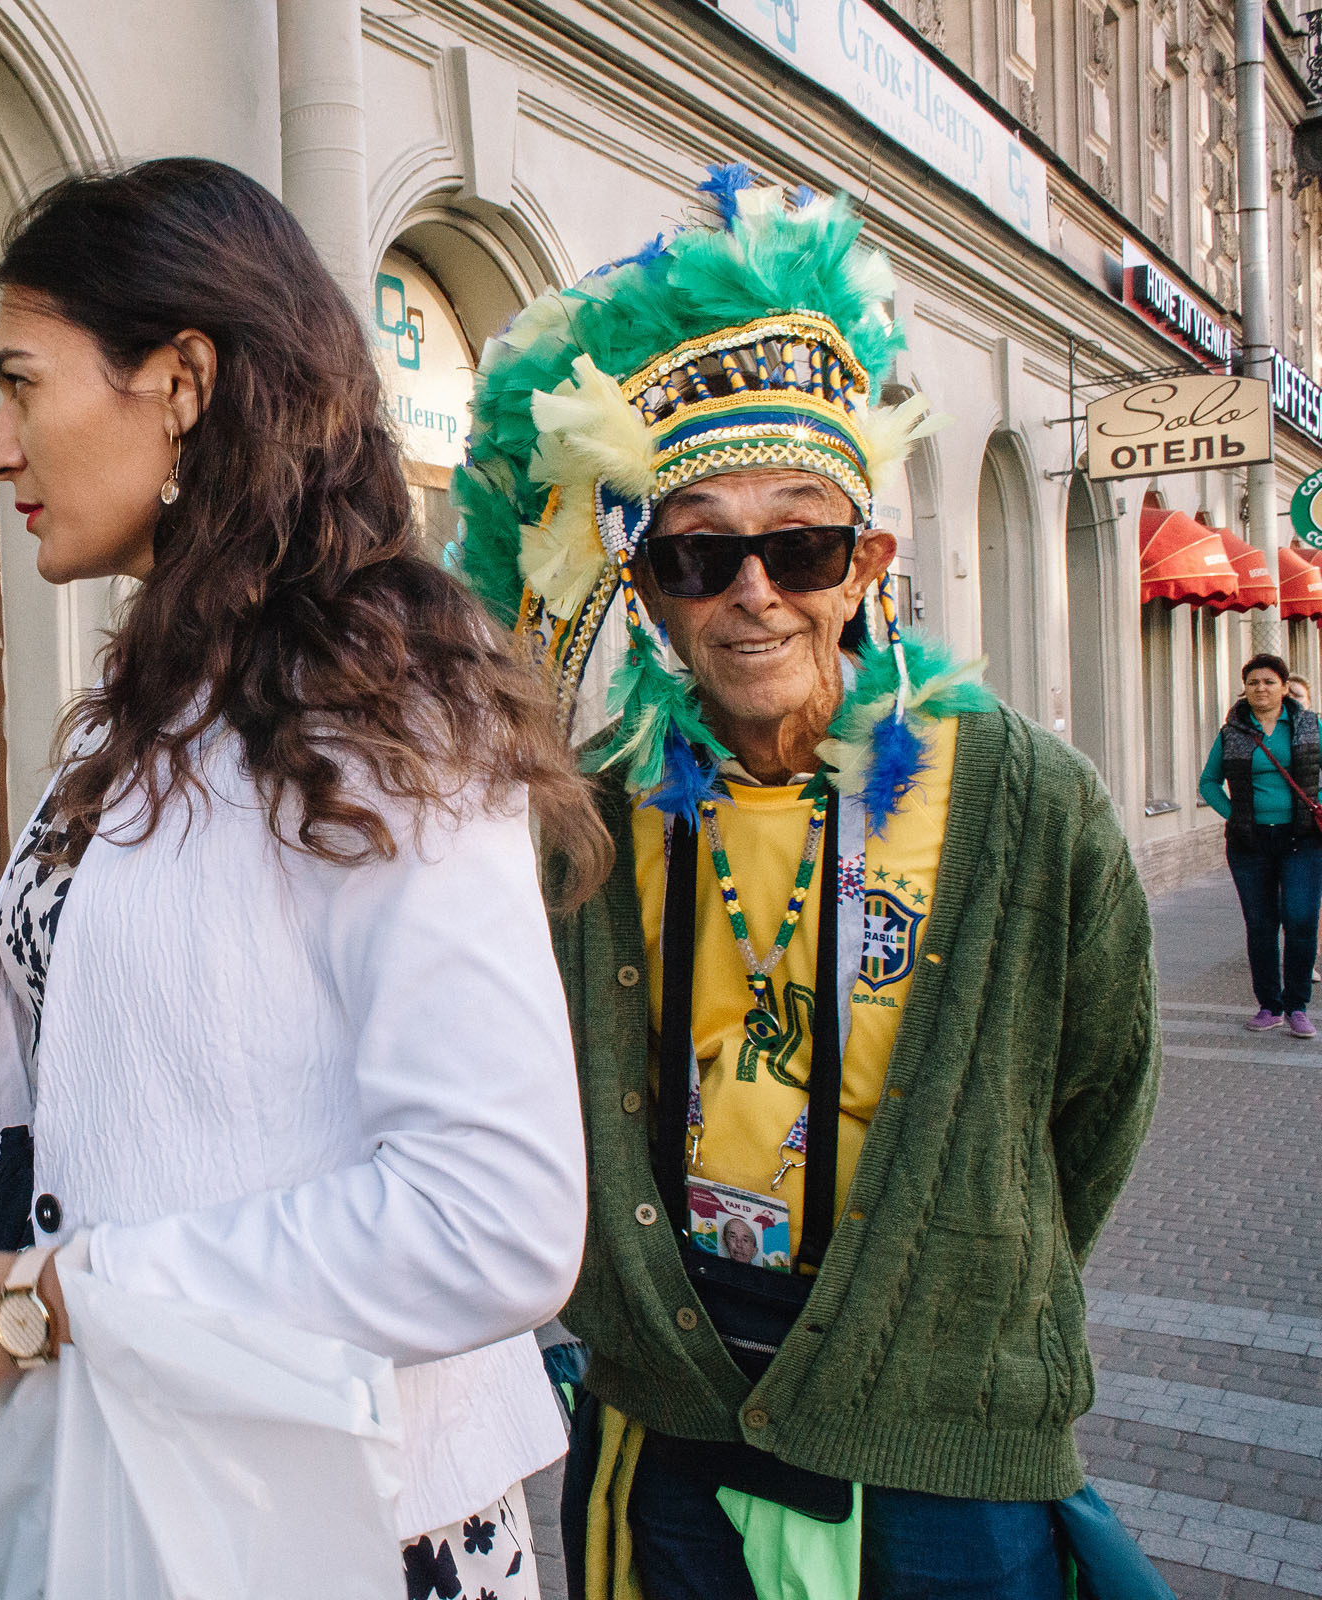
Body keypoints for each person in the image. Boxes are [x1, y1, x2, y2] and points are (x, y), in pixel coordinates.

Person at [0, 157, 598, 1595]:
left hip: (347, 1528)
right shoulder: (143, 695)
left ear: (183, 379)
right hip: (154, 1505)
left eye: (21, 385)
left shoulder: (385, 710)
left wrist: (41, 1307)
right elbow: (210, 1073)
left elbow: (496, 1220)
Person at [457, 168, 1162, 1600]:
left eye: (802, 544)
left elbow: (1098, 1096)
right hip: (668, 1422)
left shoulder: (1027, 803)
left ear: (869, 567)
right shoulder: (585, 824)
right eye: (704, 553)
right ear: (650, 586)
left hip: (940, 1442)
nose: (755, 591)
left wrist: (946, 1283)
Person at [1198, 653, 1322, 1036]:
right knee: (1261, 925)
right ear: (1245, 689)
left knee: (1301, 919)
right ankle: (1270, 1005)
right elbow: (1208, 783)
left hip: (1303, 839)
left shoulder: (1310, 725)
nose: (1261, 688)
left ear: (1284, 687)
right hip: (1250, 844)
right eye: (1253, 682)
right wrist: (1235, 815)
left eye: (1269, 681)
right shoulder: (1232, 732)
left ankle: (1297, 1005)